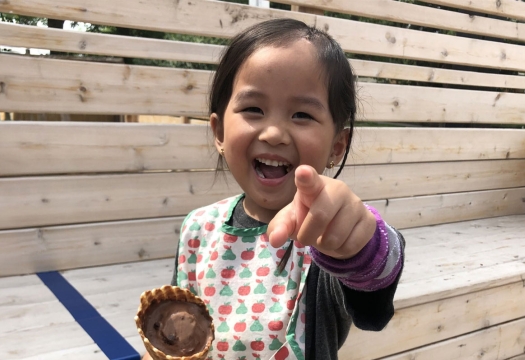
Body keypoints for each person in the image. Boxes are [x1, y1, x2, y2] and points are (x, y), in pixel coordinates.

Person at [144, 18, 405, 360]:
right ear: (219, 131)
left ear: (337, 145)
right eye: (254, 109)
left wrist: (362, 244)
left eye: (301, 115)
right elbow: (178, 328)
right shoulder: (198, 228)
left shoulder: (326, 237)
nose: (274, 133)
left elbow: (374, 304)